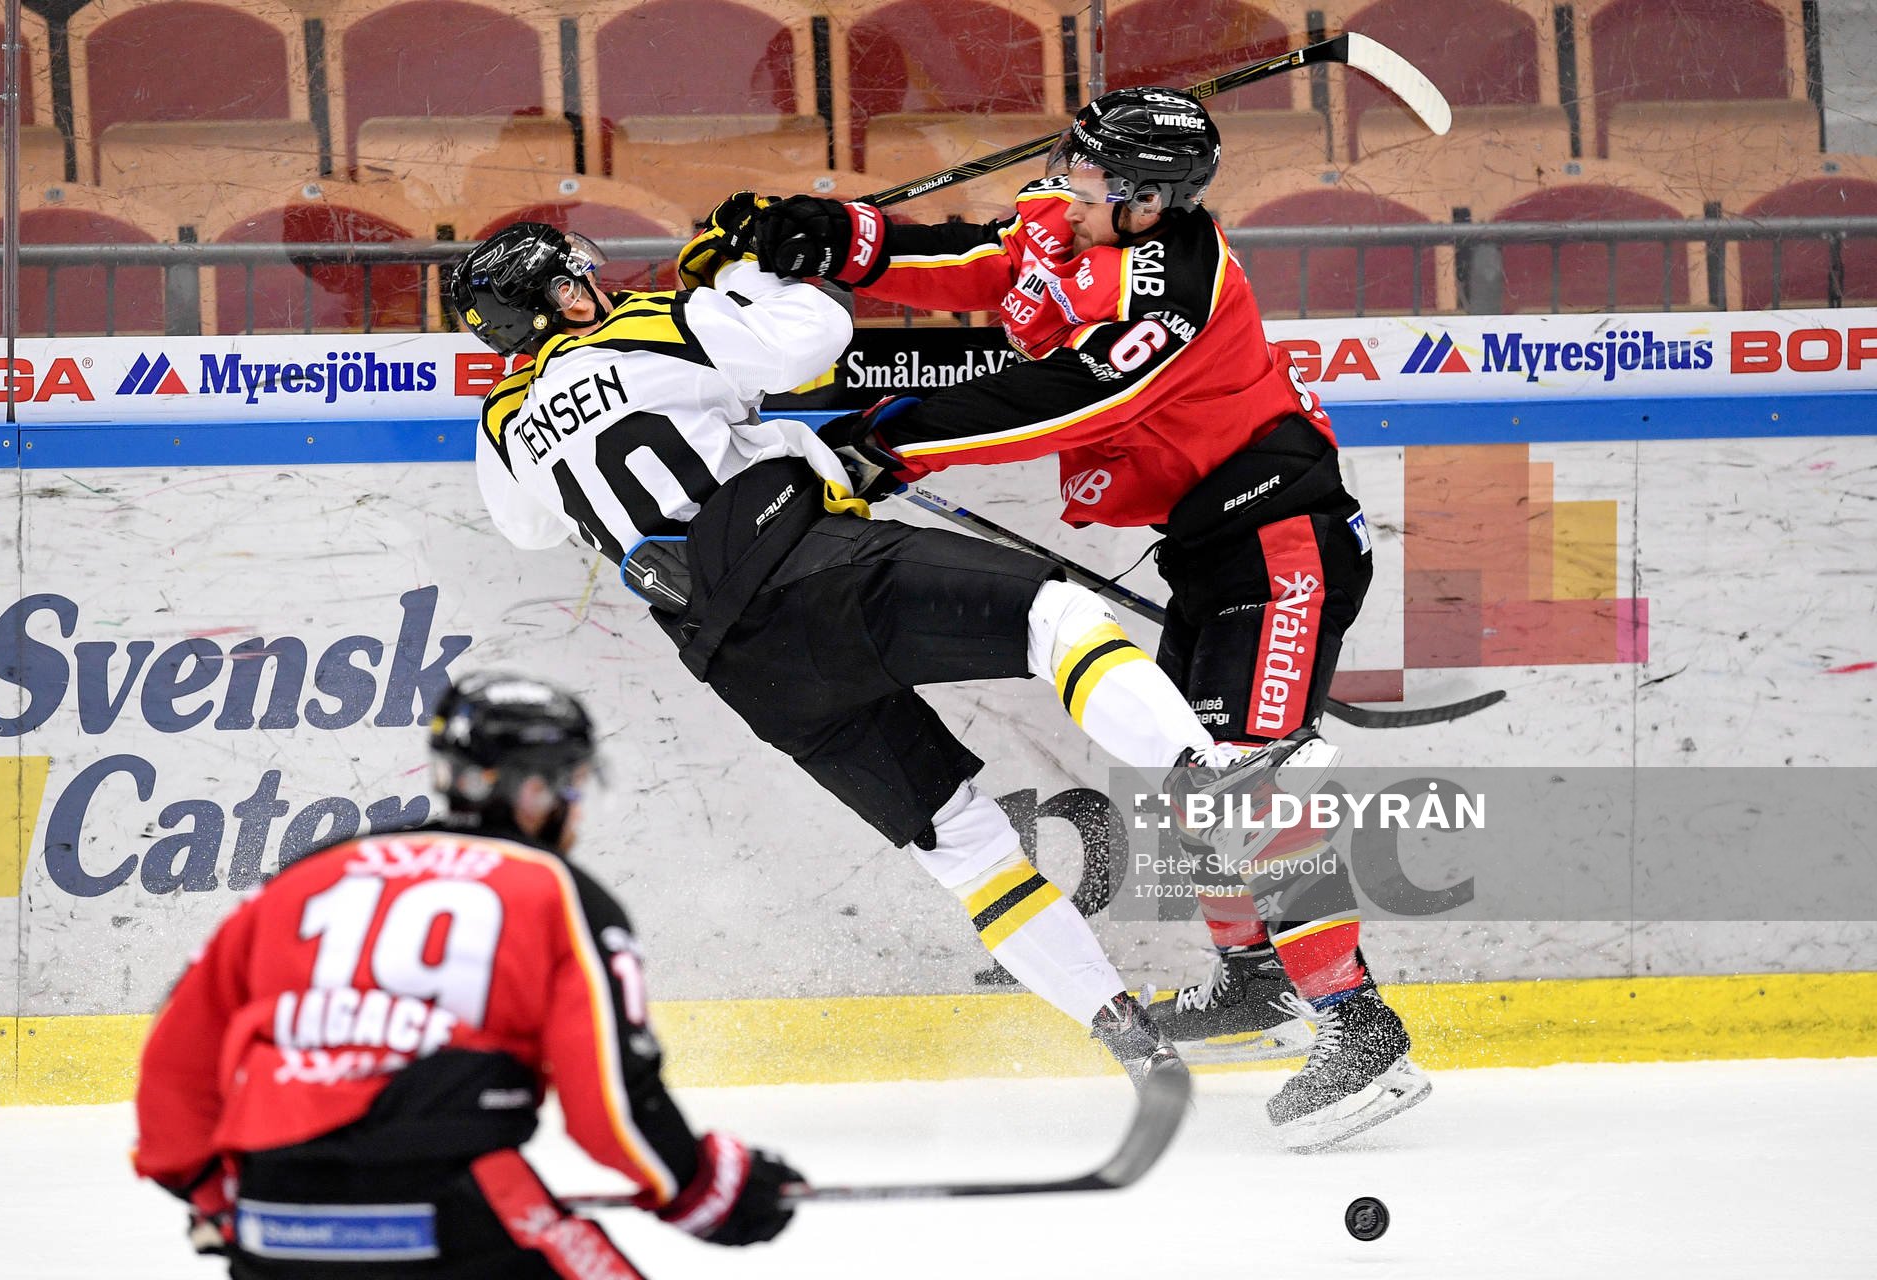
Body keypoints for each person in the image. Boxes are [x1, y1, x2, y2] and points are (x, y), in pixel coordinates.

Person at [747, 85, 1430, 1150]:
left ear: (1150, 202)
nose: (1065, 182)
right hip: (1214, 547)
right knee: (1193, 773)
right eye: (1072, 160)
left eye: (1090, 174)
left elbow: (1071, 396)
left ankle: (1357, 1023)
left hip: (1282, 542)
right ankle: (1255, 979)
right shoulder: (1075, 218)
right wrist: (846, 237)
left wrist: (899, 440)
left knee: (1250, 774)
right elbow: (985, 258)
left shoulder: (1178, 288)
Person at [446, 207, 1236, 1089]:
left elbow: (524, 526)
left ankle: (1125, 1037)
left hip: (740, 664)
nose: (596, 280)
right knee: (1058, 619)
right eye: (576, 275)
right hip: (814, 569)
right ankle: (1202, 776)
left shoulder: (502, 422)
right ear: (563, 294)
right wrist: (742, 278)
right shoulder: (653, 320)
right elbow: (815, 338)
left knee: (964, 847)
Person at [133, 672, 799, 1277]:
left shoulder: (308, 875)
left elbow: (177, 1056)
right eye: (569, 782)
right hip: (448, 1206)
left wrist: (210, 1193)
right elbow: (611, 1105)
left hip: (276, 1219)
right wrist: (705, 1186)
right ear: (536, 789)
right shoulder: (557, 892)